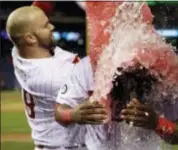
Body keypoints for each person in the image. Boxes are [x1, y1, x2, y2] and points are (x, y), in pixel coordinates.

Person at [6, 6, 107, 150]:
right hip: (65, 147)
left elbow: (34, 13)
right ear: (30, 38)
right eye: (46, 26)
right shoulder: (52, 77)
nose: (52, 26)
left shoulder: (19, 53)